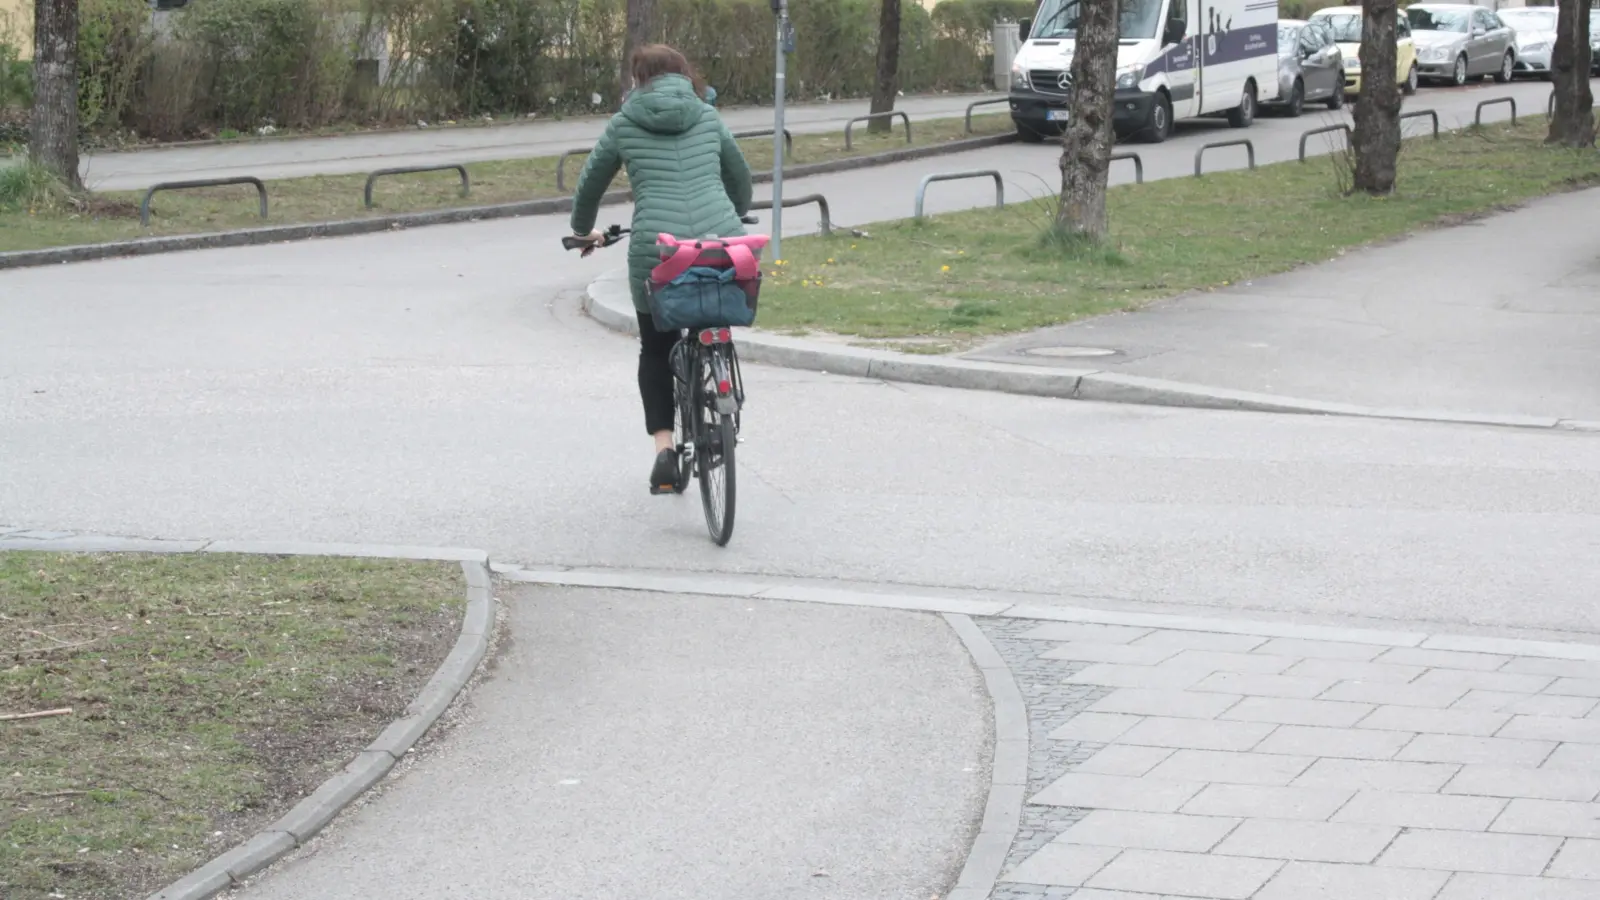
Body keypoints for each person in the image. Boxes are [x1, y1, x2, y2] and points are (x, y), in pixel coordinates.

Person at [569, 45, 754, 492]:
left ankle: (665, 453)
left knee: (655, 347)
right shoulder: (708, 117)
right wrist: (737, 211)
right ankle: (721, 383)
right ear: (685, 76)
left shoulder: (624, 123)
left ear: (639, 79)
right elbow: (740, 178)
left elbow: (590, 184)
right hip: (722, 244)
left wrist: (582, 231)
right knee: (713, 315)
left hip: (659, 250)